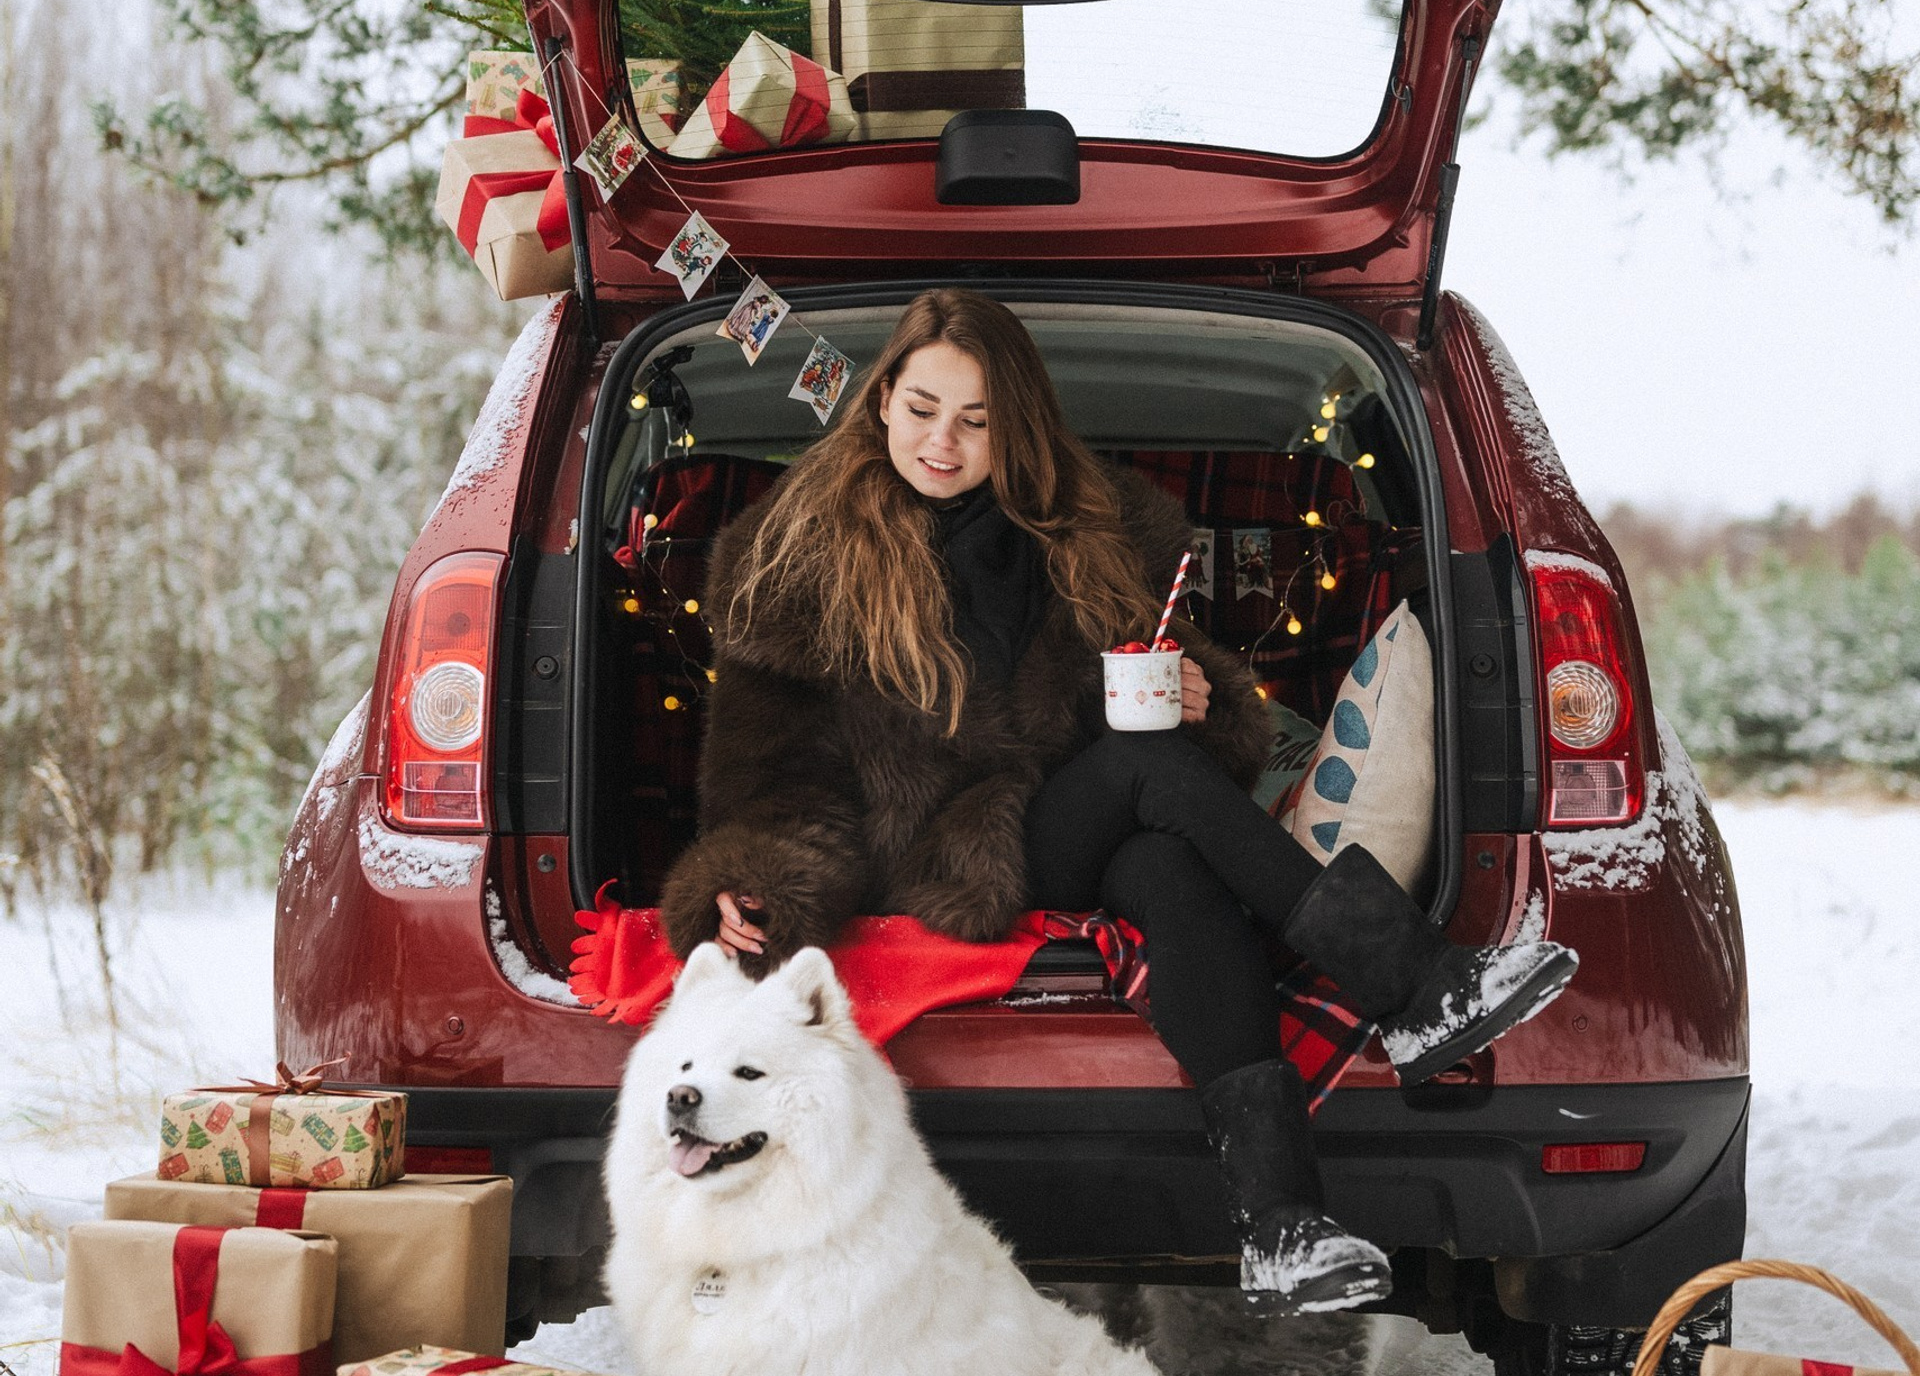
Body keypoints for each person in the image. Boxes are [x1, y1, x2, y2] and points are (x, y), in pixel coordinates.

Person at [659, 288, 1576, 1314]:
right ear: (880, 402)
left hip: (1070, 821)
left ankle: (1282, 1224)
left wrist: (1199, 696)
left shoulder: (1089, 531)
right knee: (1151, 773)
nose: (942, 443)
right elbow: (770, 773)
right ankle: (1411, 984)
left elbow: (1157, 681)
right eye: (921, 409)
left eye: (976, 421)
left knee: (1168, 866)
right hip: (936, 851)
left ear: (1016, 427)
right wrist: (756, 881)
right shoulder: (793, 555)